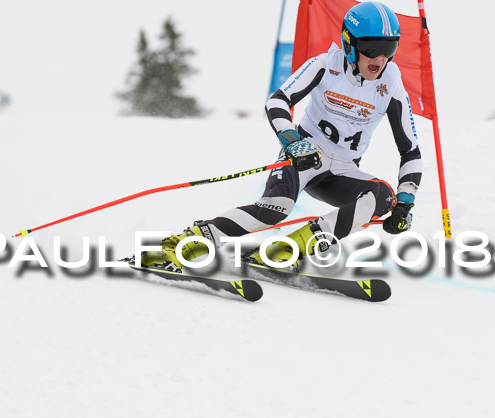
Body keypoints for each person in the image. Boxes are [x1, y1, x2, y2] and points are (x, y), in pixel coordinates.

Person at [141, 1, 422, 272]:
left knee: (383, 196)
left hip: (344, 169)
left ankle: (289, 249)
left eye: (389, 48)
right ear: (350, 44)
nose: (380, 58)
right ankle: (186, 242)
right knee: (275, 210)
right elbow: (278, 101)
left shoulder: (391, 81)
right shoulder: (326, 64)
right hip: (305, 155)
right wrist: (292, 141)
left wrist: (406, 201)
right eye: (372, 48)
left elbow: (410, 150)